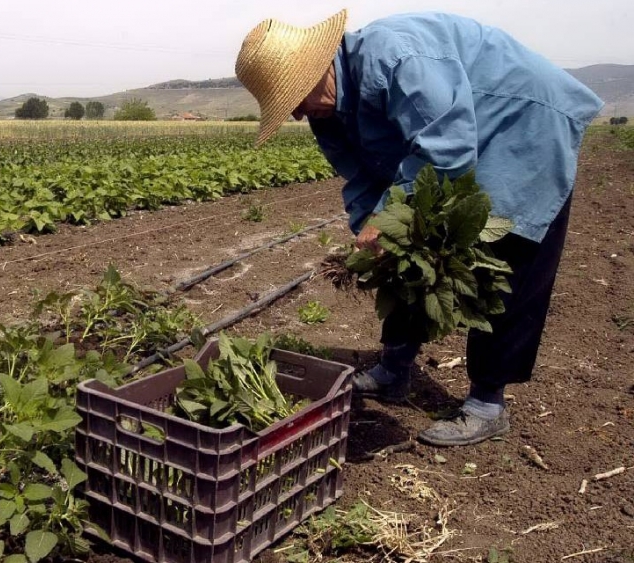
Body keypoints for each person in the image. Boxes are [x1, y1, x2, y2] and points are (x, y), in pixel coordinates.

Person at [235, 11, 603, 446]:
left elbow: (446, 149)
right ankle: (394, 370)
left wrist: (388, 217)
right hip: (460, 132)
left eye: (295, 97)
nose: (296, 114)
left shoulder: (394, 57)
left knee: (507, 254)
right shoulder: (327, 111)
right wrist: (373, 228)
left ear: (319, 67)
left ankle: (488, 402)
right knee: (405, 249)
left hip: (523, 121)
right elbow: (360, 178)